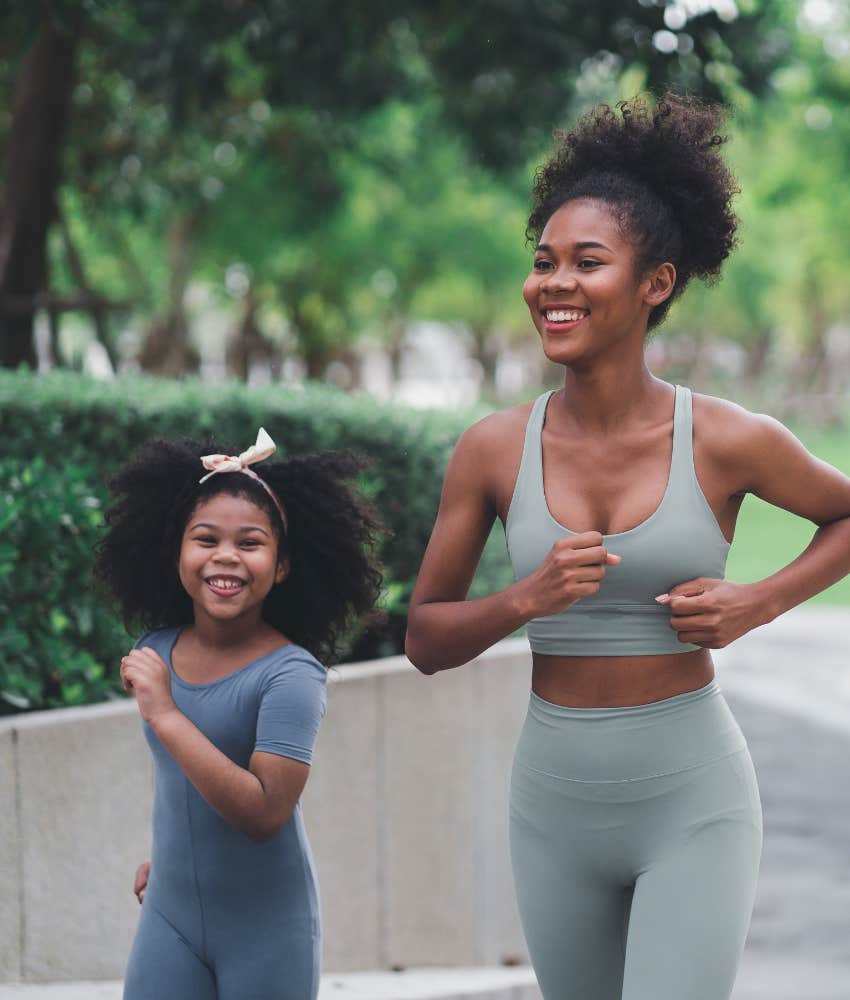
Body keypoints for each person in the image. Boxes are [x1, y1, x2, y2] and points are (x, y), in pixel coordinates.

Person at [404, 94, 850, 999]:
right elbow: (424, 639)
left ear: (656, 284)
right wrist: (524, 600)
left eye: (586, 263)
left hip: (692, 797)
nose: (552, 283)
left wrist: (755, 602)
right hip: (552, 803)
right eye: (542, 263)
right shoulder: (492, 449)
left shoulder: (727, 438)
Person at [96, 428, 382, 1000]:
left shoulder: (291, 674)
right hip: (169, 917)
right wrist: (179, 862)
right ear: (177, 550)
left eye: (250, 543)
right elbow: (183, 785)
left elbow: (265, 811)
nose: (225, 556)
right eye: (206, 539)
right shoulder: (157, 649)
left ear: (280, 567)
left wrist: (168, 714)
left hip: (267, 933)